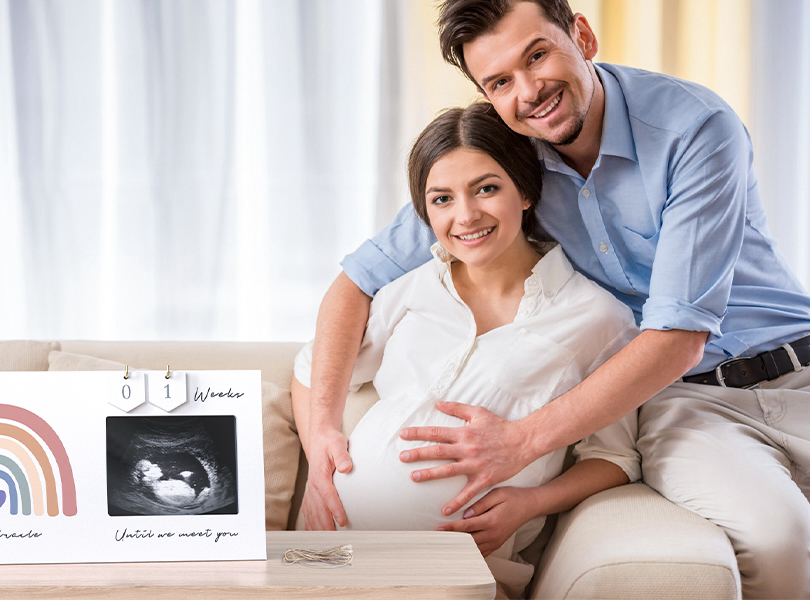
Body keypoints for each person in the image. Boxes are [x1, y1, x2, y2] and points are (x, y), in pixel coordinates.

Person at [301, 1, 810, 598]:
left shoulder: (692, 128)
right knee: (781, 539)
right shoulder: (506, 164)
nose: (529, 92)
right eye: (499, 82)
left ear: (583, 36)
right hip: (687, 400)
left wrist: (519, 442)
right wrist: (324, 435)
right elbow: (355, 282)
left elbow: (678, 334)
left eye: (537, 55)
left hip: (796, 367)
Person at [292, 102, 640, 599]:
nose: (465, 216)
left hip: (456, 570)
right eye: (442, 199)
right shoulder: (408, 290)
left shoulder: (597, 317)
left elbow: (617, 457)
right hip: (330, 558)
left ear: (524, 190)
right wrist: (319, 449)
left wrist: (532, 502)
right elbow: (308, 371)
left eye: (486, 188)